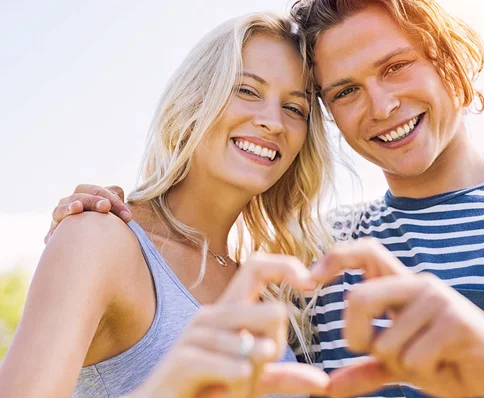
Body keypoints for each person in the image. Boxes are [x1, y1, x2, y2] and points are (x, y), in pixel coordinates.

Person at [46, 0, 484, 397]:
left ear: (448, 57)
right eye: (345, 91)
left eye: (396, 65)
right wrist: (107, 223)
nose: (380, 105)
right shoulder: (313, 257)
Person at [0, 12, 333, 398]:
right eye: (246, 90)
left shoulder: (271, 292)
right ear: (196, 96)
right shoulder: (97, 238)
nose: (273, 122)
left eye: (295, 109)